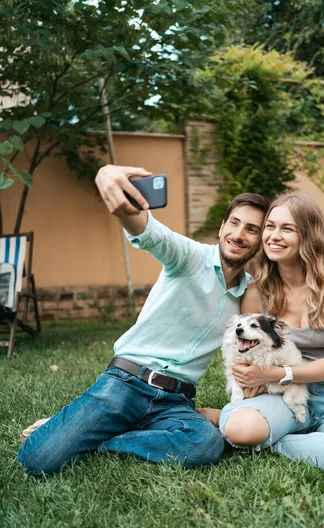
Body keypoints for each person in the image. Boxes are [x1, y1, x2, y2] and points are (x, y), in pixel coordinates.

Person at [18, 165, 269, 475]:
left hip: (176, 402)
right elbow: (148, 231)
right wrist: (107, 176)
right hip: (127, 383)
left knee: (206, 444)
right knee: (37, 459)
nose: (239, 235)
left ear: (260, 241)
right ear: (222, 227)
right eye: (235, 223)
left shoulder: (248, 294)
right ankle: (76, 429)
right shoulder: (188, 257)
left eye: (252, 230)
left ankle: (99, 440)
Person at [201, 193, 324, 474]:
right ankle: (247, 423)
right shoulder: (256, 291)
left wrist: (274, 375)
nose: (274, 236)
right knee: (241, 429)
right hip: (281, 392)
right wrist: (253, 383)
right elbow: (248, 358)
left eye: (287, 228)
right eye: (270, 227)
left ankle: (276, 441)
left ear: (309, 235)